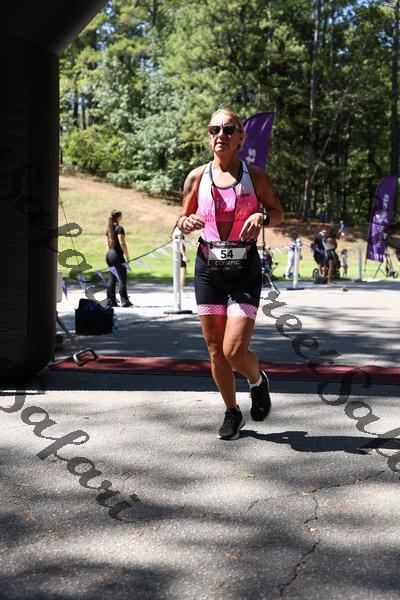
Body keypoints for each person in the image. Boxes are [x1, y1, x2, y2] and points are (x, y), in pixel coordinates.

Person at [176, 108, 284, 440]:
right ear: (208, 136)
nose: (220, 135)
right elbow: (181, 218)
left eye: (228, 129)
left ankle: (257, 381)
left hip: (244, 269)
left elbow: (278, 212)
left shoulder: (256, 177)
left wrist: (263, 218)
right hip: (208, 268)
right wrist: (186, 222)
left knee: (233, 350)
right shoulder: (197, 177)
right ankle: (232, 411)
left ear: (240, 137)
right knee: (215, 349)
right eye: (214, 129)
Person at [105, 210, 133, 308]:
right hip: (117, 255)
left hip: (109, 254)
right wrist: (127, 256)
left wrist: (109, 255)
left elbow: (108, 244)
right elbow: (122, 243)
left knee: (112, 278)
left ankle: (110, 301)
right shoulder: (119, 228)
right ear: (118, 217)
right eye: (121, 216)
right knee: (122, 279)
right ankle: (125, 301)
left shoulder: (109, 229)